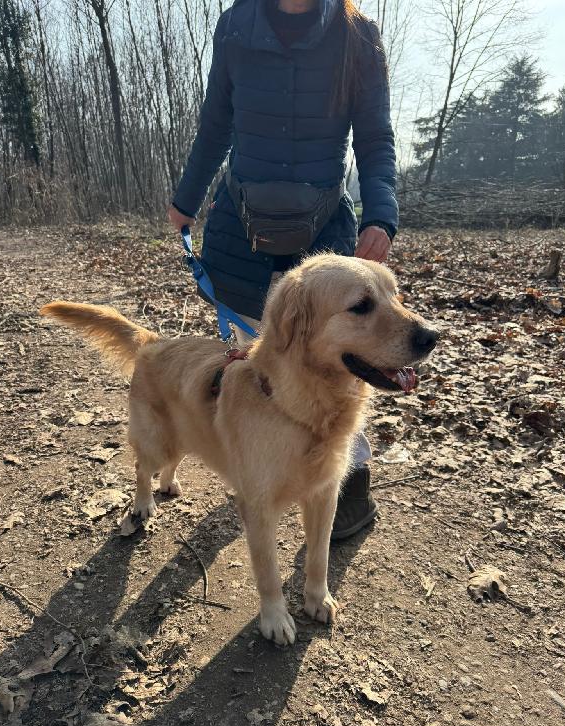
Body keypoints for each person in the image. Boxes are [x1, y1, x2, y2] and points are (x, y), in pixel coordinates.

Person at [168, 0, 398, 540]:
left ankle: (347, 488)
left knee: (343, 363)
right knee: (259, 360)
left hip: (326, 232)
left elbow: (374, 137)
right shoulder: (235, 24)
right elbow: (215, 124)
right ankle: (260, 467)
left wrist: (381, 215)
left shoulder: (359, 34)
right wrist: (186, 197)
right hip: (240, 230)